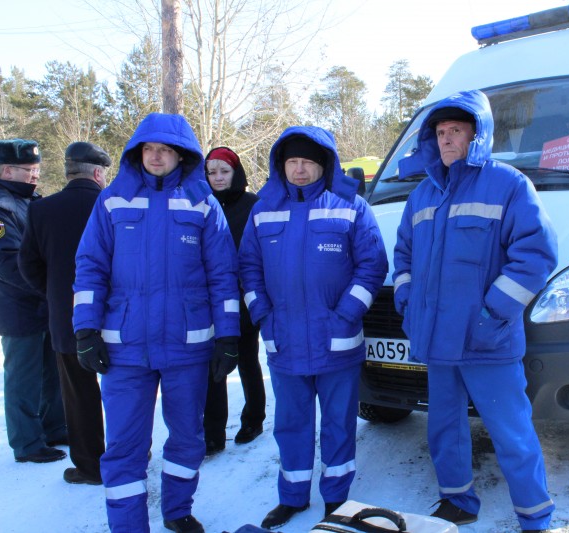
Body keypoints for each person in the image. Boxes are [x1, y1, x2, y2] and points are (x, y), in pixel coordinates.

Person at [392, 90, 558, 533]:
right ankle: (457, 500)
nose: (446, 140)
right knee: (444, 429)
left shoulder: (508, 184)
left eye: (456, 131)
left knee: (512, 434)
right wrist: (406, 303)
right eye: (440, 132)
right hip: (437, 341)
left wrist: (493, 313)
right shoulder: (422, 195)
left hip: (488, 340)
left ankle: (535, 515)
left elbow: (536, 255)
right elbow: (403, 255)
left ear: (477, 135)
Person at [72, 113, 241, 533]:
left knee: (187, 438)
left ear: (181, 155)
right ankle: (128, 527)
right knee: (125, 446)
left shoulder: (203, 202)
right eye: (148, 149)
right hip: (124, 347)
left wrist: (229, 336)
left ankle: (178, 511)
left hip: (187, 345)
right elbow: (90, 266)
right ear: (137, 153)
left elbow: (223, 275)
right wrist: (86, 328)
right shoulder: (112, 200)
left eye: (164, 149)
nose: (156, 156)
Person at [239, 126, 388, 529]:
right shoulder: (263, 209)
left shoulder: (350, 206)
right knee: (290, 424)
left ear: (323, 164)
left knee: (338, 423)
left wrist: (345, 315)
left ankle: (336, 498)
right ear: (280, 166)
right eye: (292, 162)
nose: (299, 169)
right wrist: (263, 316)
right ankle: (292, 497)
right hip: (283, 341)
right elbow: (248, 268)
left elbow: (373, 265)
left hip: (336, 341)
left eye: (307, 161)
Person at [18, 141, 111, 484]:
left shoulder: (42, 210)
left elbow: (27, 264)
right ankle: (130, 451)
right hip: (118, 313)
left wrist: (55, 293)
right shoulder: (112, 204)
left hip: (67, 316)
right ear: (98, 173)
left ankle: (90, 466)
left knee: (78, 393)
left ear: (69, 172)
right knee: (125, 388)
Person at [0, 138, 68, 464]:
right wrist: (48, 286)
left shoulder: (29, 201)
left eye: (37, 169)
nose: (35, 175)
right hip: (18, 308)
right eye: (28, 170)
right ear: (6, 170)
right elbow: (9, 263)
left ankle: (55, 428)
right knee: (23, 378)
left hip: (43, 303)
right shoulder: (1, 208)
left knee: (52, 372)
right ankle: (27, 443)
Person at [203, 146, 266, 455]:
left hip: (243, 296)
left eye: (224, 171)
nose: (217, 178)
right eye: (211, 172)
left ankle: (253, 418)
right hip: (209, 297)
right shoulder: (201, 204)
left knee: (245, 359)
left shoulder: (253, 204)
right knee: (212, 364)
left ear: (235, 173)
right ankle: (213, 432)